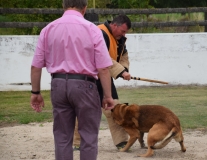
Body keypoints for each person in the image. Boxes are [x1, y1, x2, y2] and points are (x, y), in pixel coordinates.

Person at [30, 0, 115, 160]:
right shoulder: (92, 29)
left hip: (58, 84)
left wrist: (35, 92)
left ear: (64, 6)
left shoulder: (48, 29)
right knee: (88, 136)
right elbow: (103, 68)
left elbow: (36, 66)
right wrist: (108, 96)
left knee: (62, 136)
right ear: (84, 8)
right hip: (85, 85)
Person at [73, 14, 132, 150]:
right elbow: (101, 57)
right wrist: (121, 72)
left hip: (104, 76)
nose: (123, 34)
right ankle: (77, 142)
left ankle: (122, 141)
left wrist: (124, 69)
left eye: (125, 32)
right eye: (122, 31)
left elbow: (123, 55)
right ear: (114, 25)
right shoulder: (99, 32)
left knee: (115, 108)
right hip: (89, 76)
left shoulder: (119, 38)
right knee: (85, 110)